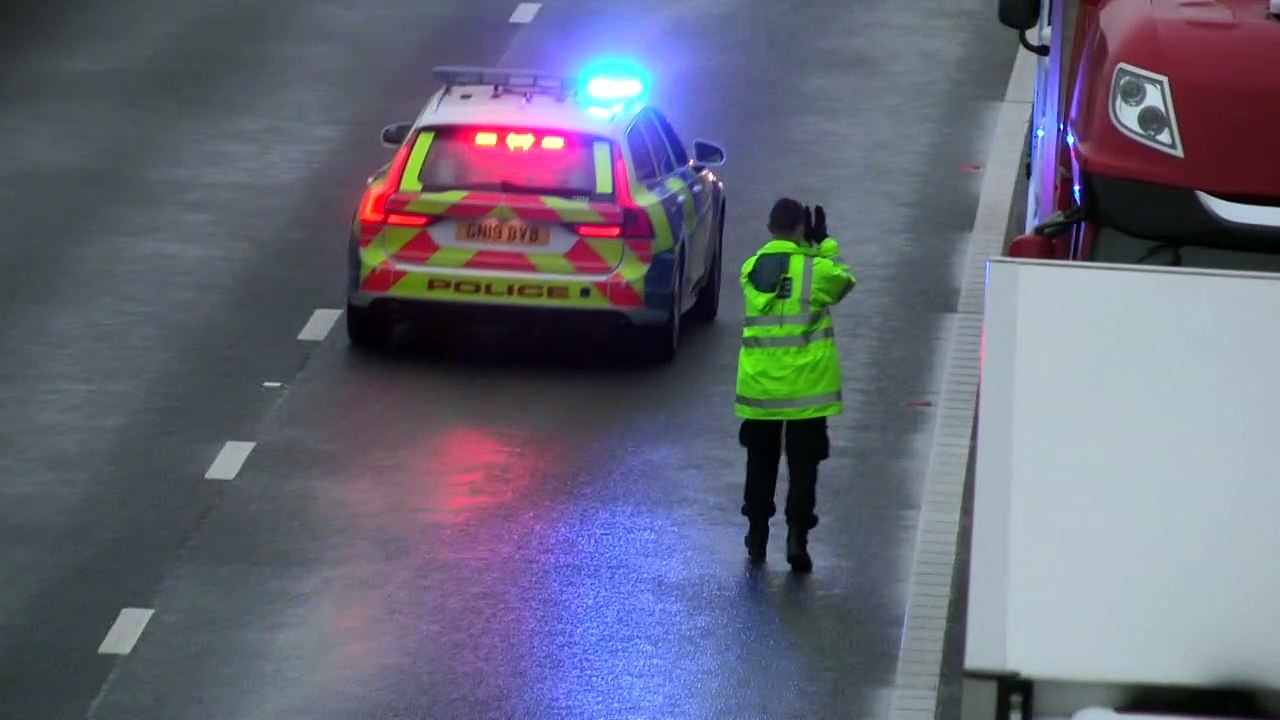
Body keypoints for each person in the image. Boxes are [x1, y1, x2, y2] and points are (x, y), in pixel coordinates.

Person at [735, 198, 856, 572]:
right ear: (801, 229)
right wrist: (825, 247)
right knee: (804, 466)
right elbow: (843, 281)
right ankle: (796, 538)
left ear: (770, 227)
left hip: (761, 390)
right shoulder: (815, 269)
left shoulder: (751, 268)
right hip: (807, 391)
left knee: (760, 463)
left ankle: (757, 535)